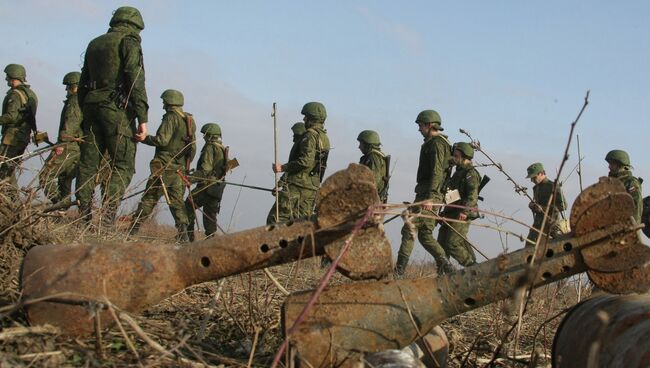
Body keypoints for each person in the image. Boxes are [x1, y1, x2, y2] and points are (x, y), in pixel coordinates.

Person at [76, 6, 148, 226]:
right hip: (116, 110)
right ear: (136, 25)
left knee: (88, 164)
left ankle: (83, 218)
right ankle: (107, 219)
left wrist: (84, 111)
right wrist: (142, 117)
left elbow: (82, 84)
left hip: (91, 107)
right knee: (123, 165)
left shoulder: (95, 43)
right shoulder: (129, 42)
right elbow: (135, 79)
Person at [130, 90, 195, 242]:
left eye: (164, 102)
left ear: (169, 102)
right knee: (177, 203)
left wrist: (144, 138)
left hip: (164, 168)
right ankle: (184, 239)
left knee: (149, 198)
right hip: (179, 170)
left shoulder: (171, 118)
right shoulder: (189, 121)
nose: (163, 104)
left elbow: (162, 140)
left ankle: (131, 232)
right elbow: (192, 149)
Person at [395, 110, 452, 276]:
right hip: (427, 193)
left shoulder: (437, 144)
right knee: (425, 235)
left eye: (421, 125)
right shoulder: (436, 143)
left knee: (409, 228)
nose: (419, 129)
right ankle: (446, 267)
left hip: (429, 195)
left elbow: (437, 172)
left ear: (429, 125)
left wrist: (430, 198)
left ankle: (399, 272)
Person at [268, 102, 330, 223]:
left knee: (275, 221)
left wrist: (282, 167)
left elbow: (305, 161)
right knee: (301, 224)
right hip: (312, 188)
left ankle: (273, 242)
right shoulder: (324, 138)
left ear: (312, 118)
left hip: (297, 186)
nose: (304, 119)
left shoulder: (310, 135)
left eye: (306, 116)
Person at [38, 72, 83, 204]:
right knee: (64, 180)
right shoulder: (82, 100)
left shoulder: (75, 100)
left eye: (68, 86)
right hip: (76, 149)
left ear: (74, 86)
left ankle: (58, 204)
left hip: (68, 146)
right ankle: (62, 209)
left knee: (44, 176)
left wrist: (61, 144)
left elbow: (71, 123)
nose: (66, 89)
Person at [437, 142, 480, 267]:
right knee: (441, 244)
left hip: (462, 213)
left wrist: (465, 211)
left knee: (452, 243)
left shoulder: (470, 174)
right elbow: (453, 195)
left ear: (465, 156)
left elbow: (472, 195)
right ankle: (443, 273)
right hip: (452, 212)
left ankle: (472, 267)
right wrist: (444, 212)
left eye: (456, 156)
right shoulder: (458, 172)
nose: (454, 158)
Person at [185, 123, 227, 241]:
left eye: (205, 135)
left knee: (188, 204)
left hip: (207, 187)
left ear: (209, 135)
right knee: (210, 215)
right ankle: (211, 242)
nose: (203, 137)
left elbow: (205, 171)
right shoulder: (221, 148)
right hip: (217, 188)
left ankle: (187, 237)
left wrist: (189, 178)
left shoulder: (210, 147)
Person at [0, 64, 38, 186]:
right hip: (23, 137)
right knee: (8, 171)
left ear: (13, 77)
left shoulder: (15, 94)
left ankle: (10, 201)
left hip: (12, 138)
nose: (6, 79)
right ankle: (12, 202)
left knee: (3, 169)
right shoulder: (31, 94)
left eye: (7, 76)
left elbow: (11, 117)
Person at [525, 162, 566, 245]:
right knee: (529, 245)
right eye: (531, 178)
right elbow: (537, 205)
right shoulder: (536, 188)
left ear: (541, 173)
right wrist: (532, 206)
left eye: (534, 177)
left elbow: (563, 206)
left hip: (551, 225)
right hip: (537, 224)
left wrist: (543, 209)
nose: (532, 180)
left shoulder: (553, 186)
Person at [606, 150, 642, 223]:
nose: (609, 166)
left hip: (627, 228)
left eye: (612, 164)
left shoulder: (631, 183)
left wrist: (633, 228)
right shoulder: (611, 183)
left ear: (620, 165)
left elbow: (636, 207)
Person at [357, 130, 390, 203]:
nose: (359, 147)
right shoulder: (374, 157)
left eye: (361, 144)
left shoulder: (374, 157)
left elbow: (373, 181)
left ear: (367, 144)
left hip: (370, 201)